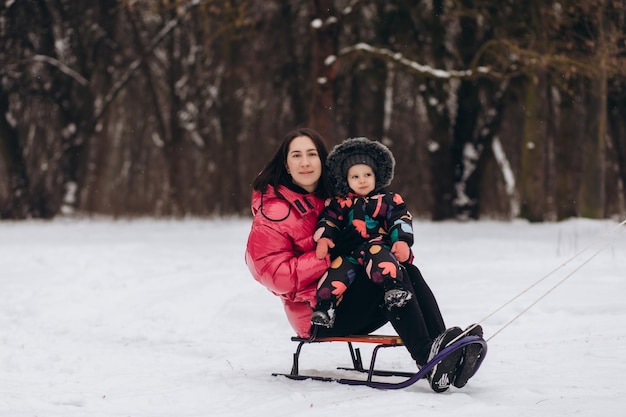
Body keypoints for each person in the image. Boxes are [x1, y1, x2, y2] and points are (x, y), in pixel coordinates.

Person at [245, 128, 483, 393]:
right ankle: (430, 358)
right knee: (386, 284)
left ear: (323, 161)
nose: (305, 162)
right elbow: (273, 274)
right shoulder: (275, 211)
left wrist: (393, 246)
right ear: (286, 165)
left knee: (405, 271)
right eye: (296, 155)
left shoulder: (338, 196)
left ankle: (443, 350)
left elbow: (387, 227)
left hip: (351, 293)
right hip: (320, 311)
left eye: (312, 154)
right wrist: (327, 257)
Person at [310, 137, 414, 328]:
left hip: (377, 245)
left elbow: (400, 219)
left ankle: (393, 287)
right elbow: (329, 219)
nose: (362, 180)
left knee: (382, 261)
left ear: (376, 176)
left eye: (367, 174)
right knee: (335, 273)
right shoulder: (340, 203)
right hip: (350, 252)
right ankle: (325, 306)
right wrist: (324, 237)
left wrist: (401, 241)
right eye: (355, 177)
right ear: (346, 180)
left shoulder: (388, 200)